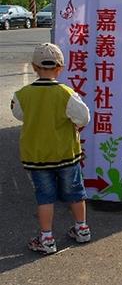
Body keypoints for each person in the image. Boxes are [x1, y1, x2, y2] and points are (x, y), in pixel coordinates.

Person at [10, 43, 91, 255]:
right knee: (75, 192)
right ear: (60, 68)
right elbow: (83, 117)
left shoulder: (23, 94)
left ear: (34, 67)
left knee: (45, 197)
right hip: (66, 153)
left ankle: (46, 239)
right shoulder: (66, 93)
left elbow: (18, 115)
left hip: (36, 156)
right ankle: (82, 229)